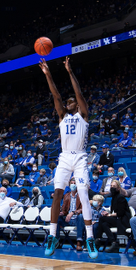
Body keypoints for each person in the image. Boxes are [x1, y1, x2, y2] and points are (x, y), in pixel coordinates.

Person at [39, 56, 98, 259]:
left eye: (72, 101)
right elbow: (55, 95)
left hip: (80, 158)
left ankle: (90, 238)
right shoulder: (62, 116)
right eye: (68, 101)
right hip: (64, 157)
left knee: (83, 195)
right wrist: (48, 74)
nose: (69, 102)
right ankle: (52, 236)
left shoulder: (83, 115)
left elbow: (79, 93)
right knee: (57, 194)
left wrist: (69, 71)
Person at [95, 180, 131, 253]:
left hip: (122, 220)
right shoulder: (113, 198)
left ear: (118, 188)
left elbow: (120, 213)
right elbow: (113, 211)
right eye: (111, 186)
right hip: (116, 219)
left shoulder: (121, 197)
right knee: (104, 224)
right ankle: (114, 243)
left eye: (114, 186)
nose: (112, 188)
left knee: (102, 219)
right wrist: (107, 213)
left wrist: (109, 215)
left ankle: (98, 240)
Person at [55, 179, 84, 251]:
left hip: (77, 218)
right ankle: (57, 241)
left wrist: (73, 212)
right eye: (72, 183)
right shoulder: (66, 195)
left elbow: (84, 209)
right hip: (68, 220)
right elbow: (64, 210)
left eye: (75, 183)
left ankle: (79, 242)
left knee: (81, 216)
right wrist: (62, 213)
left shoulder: (82, 194)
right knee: (57, 217)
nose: (73, 185)